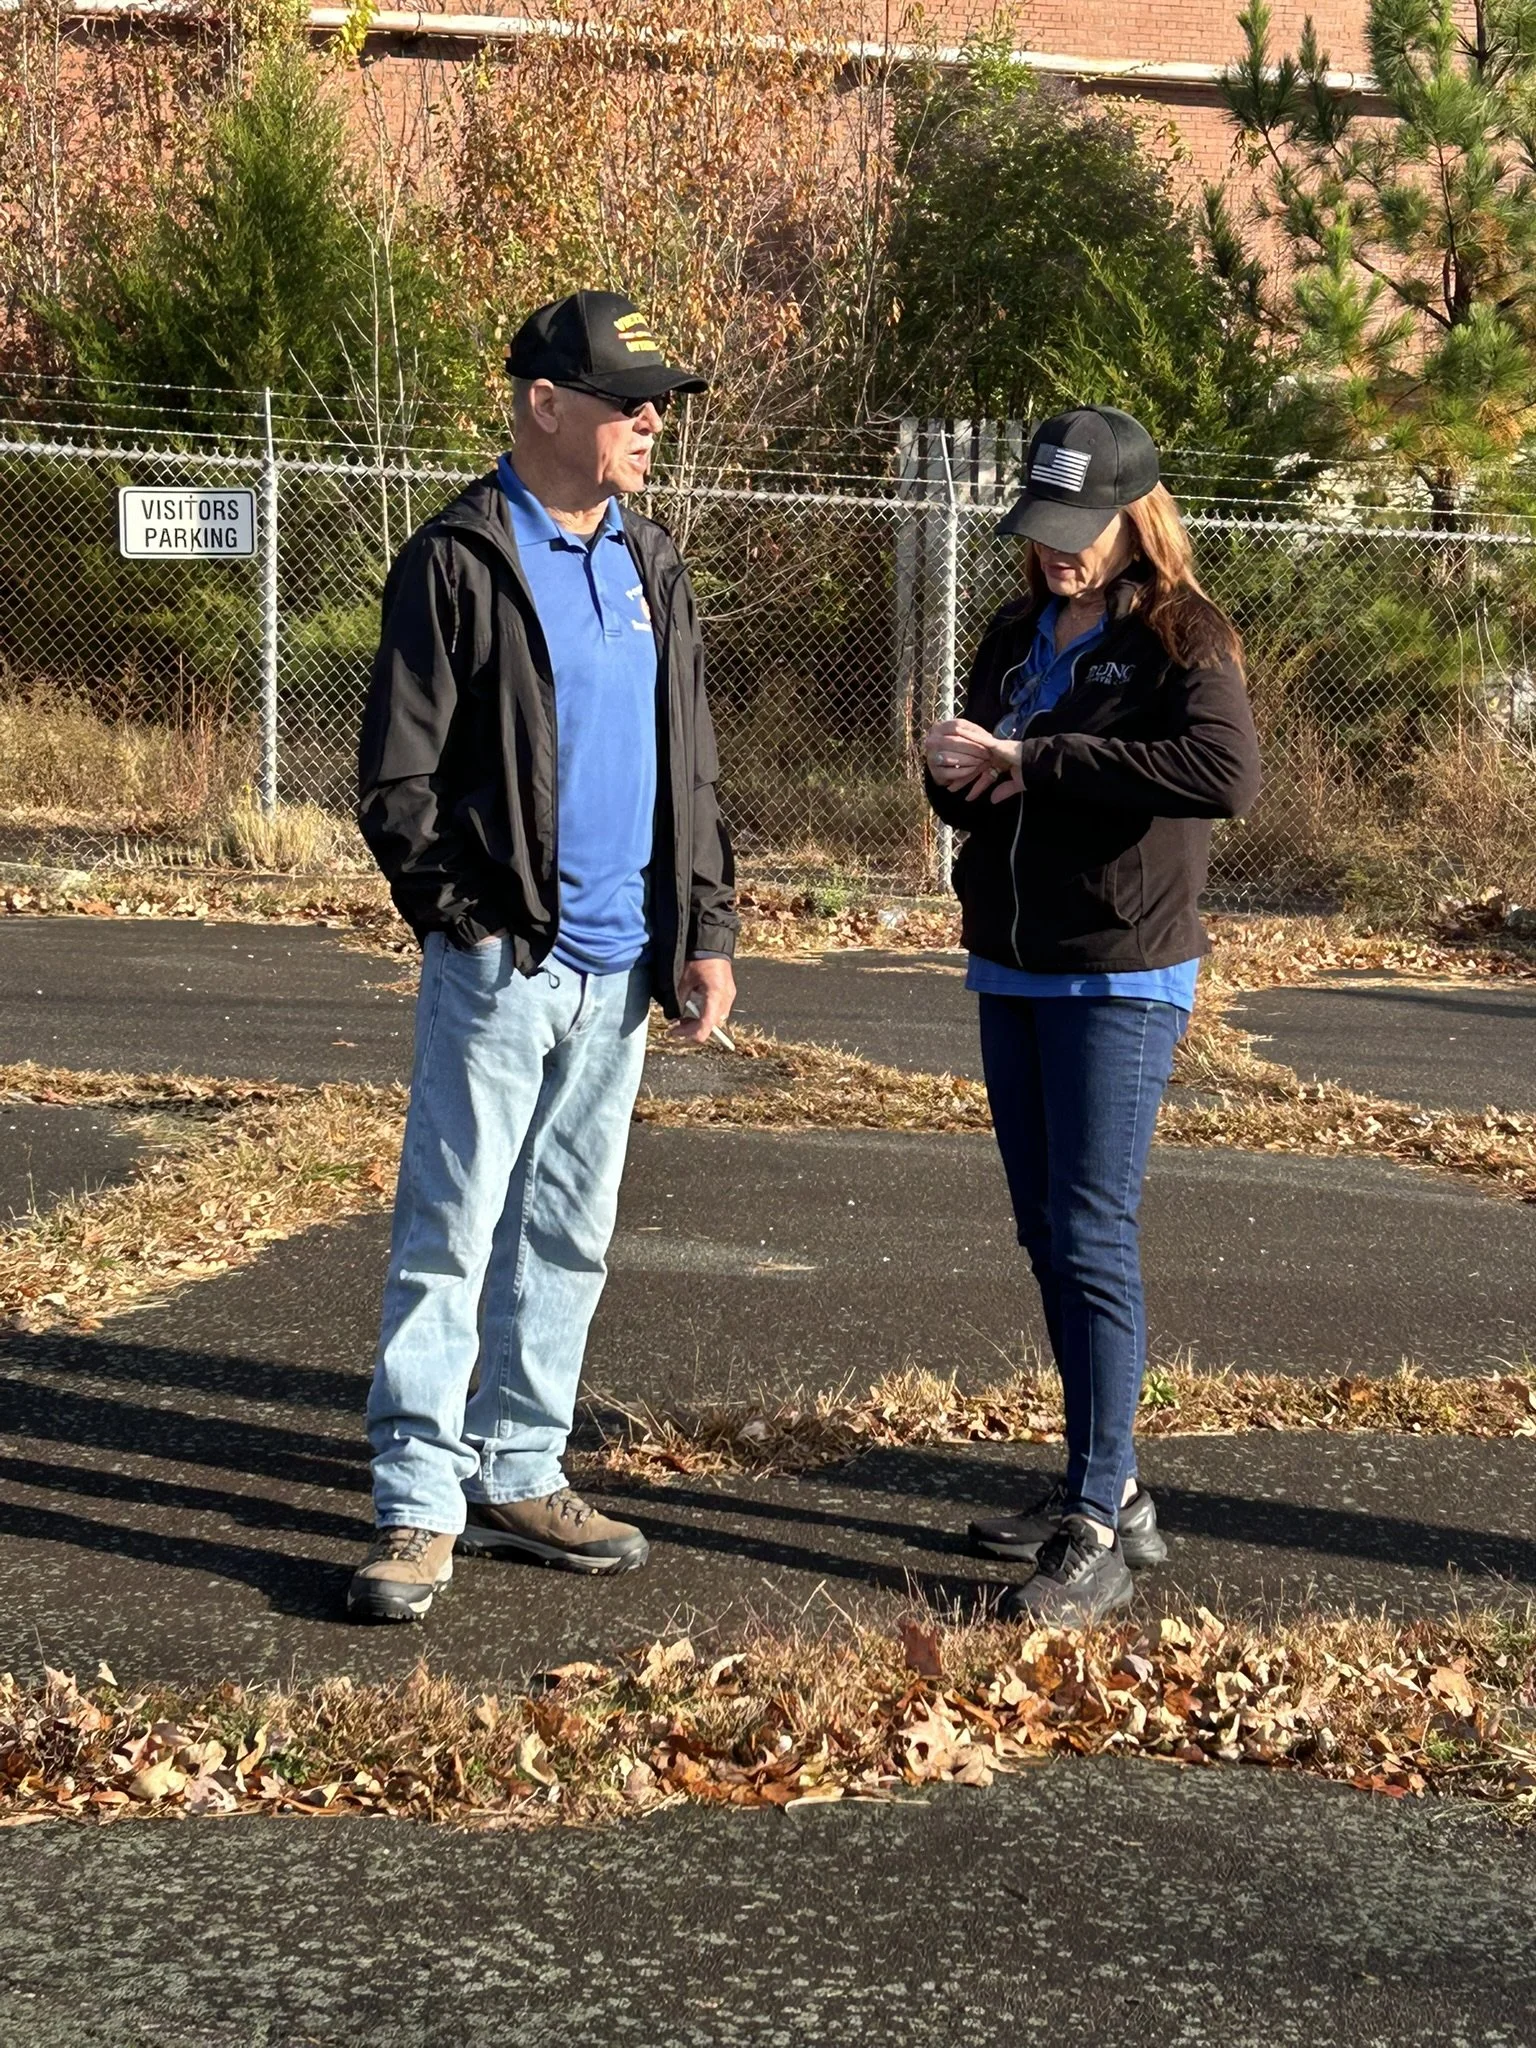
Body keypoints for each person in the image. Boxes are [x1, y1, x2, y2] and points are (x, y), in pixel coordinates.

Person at [350, 290, 738, 1623]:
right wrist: (468, 922)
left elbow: (689, 759)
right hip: (504, 968)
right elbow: (393, 783)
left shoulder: (653, 560)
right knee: (451, 1232)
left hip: (627, 971)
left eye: (660, 403)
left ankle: (521, 1470)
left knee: (568, 1235)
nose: (650, 421)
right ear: (543, 405)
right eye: (628, 399)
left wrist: (705, 930)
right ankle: (416, 1501)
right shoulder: (458, 560)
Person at [923, 405, 1260, 1627]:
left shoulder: (1184, 633)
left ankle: (1098, 1516)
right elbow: (985, 795)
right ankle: (1101, 1477)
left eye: (1083, 530)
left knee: (1091, 1230)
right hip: (1012, 963)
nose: (1060, 552)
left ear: (1138, 516)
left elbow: (1223, 776)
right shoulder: (1018, 629)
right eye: (1044, 527)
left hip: (1119, 970)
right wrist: (956, 769)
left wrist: (1039, 759)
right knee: (1044, 1232)